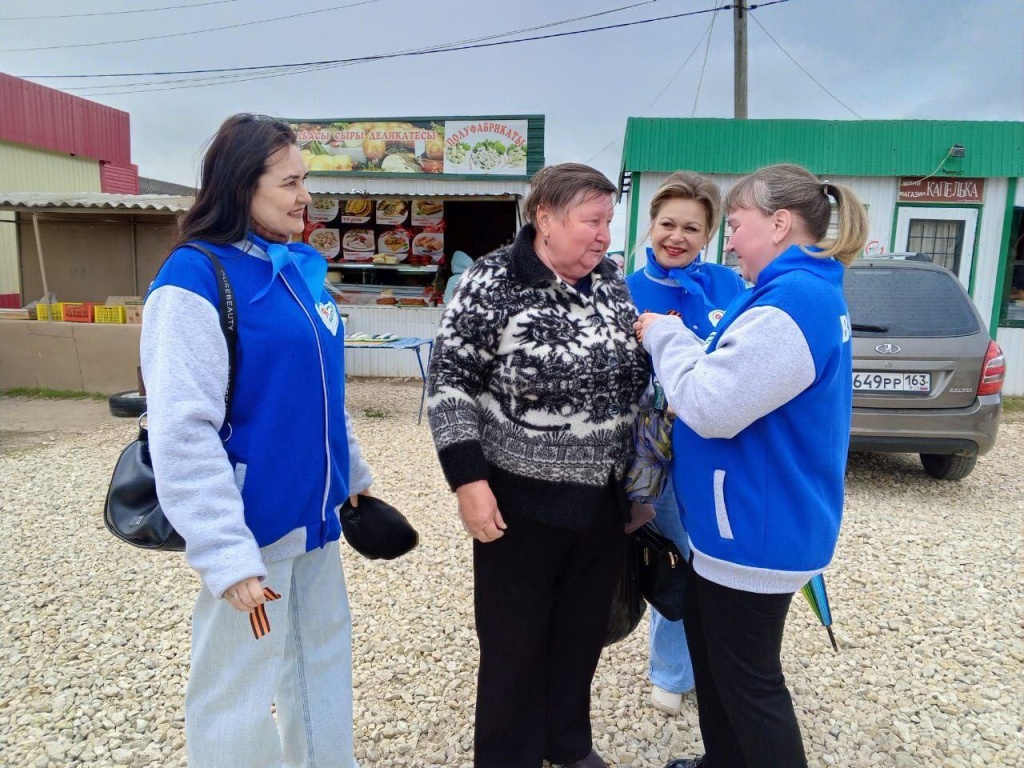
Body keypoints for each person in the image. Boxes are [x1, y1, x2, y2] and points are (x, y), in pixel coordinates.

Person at [141, 113, 374, 768]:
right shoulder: (193, 280)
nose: (305, 196)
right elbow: (182, 428)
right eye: (289, 183)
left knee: (319, 666)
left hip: (314, 522)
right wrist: (225, 552)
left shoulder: (296, 270)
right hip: (253, 528)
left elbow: (321, 394)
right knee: (235, 691)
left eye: (305, 180)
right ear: (242, 185)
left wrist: (353, 482)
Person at [634, 163, 868, 768]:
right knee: (716, 666)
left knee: (750, 685)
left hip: (755, 532)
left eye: (736, 225)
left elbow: (712, 405)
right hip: (737, 526)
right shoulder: (790, 292)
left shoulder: (794, 302)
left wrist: (665, 336)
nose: (730, 241)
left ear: (779, 223)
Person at [426, 163, 650, 768]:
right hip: (518, 502)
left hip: (602, 499)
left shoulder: (610, 281)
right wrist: (468, 480)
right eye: (592, 221)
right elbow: (450, 382)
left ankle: (566, 743)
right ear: (544, 218)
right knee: (514, 643)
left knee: (581, 635)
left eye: (608, 221)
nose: (604, 236)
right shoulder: (492, 279)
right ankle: (508, 756)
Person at [625, 171, 746, 716]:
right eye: (667, 224)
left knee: (721, 556)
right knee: (676, 554)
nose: (677, 237)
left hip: (721, 447)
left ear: (709, 234)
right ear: (651, 224)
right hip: (656, 449)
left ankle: (722, 662)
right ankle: (673, 670)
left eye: (691, 228)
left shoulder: (730, 285)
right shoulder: (625, 289)